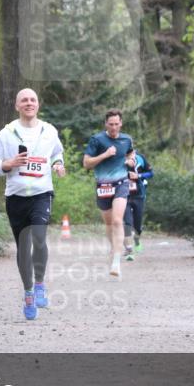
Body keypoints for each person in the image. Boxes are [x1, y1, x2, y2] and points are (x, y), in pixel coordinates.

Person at [0, 88, 66, 320]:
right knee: (23, 248)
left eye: (32, 100)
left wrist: (57, 165)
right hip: (15, 197)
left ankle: (40, 284)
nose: (29, 103)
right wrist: (9, 163)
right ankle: (29, 292)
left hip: (42, 194)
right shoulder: (6, 133)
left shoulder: (49, 131)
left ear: (38, 105)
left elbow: (57, 154)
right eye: (24, 100)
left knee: (39, 238)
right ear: (17, 105)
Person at [82, 109, 133, 277]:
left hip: (121, 183)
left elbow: (130, 152)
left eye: (116, 124)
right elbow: (87, 164)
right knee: (110, 223)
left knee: (118, 220)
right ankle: (114, 248)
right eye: (110, 124)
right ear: (106, 124)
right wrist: (105, 154)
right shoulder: (97, 140)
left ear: (121, 123)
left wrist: (131, 159)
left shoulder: (126, 139)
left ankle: (116, 261)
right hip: (103, 185)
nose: (113, 127)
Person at [122, 148, 153, 261]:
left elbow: (151, 173)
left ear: (134, 152)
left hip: (139, 195)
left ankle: (137, 239)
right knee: (127, 222)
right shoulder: (119, 160)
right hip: (124, 196)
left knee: (137, 225)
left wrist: (139, 176)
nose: (129, 156)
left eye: (131, 153)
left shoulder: (141, 158)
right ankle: (129, 251)